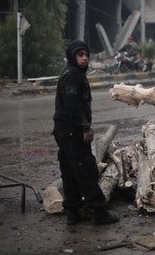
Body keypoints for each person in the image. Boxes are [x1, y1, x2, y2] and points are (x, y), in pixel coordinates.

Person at [53, 40, 120, 225]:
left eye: (86, 55)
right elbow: (72, 105)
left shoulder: (71, 73)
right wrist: (85, 127)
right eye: (80, 55)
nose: (84, 58)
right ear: (72, 56)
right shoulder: (73, 75)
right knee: (86, 170)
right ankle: (99, 212)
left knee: (69, 170)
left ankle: (72, 212)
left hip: (63, 130)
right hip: (72, 131)